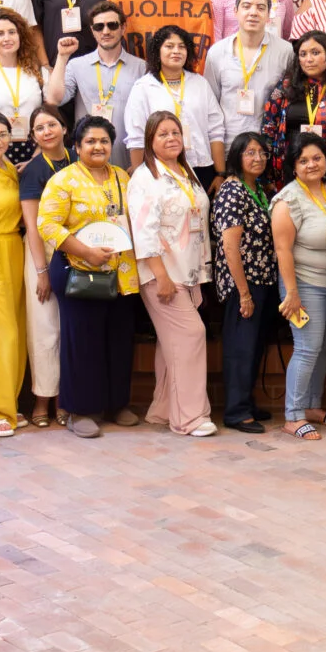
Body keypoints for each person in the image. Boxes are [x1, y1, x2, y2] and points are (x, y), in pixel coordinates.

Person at [38, 115, 141, 439]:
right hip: (79, 272)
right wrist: (86, 252)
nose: (98, 147)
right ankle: (80, 410)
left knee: (119, 341)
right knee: (82, 344)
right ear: (77, 146)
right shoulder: (64, 180)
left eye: (104, 141)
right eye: (90, 141)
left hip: (121, 274)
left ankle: (117, 404)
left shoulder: (122, 177)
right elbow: (47, 225)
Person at [125, 111, 216, 438]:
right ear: (150, 140)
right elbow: (143, 231)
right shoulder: (144, 178)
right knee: (191, 335)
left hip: (187, 272)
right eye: (162, 134)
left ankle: (162, 410)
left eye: (175, 132)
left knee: (171, 344)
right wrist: (160, 276)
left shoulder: (185, 172)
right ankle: (189, 418)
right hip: (162, 274)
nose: (171, 138)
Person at [267, 134, 326, 438]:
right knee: (307, 348)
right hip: (303, 285)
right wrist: (292, 293)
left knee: (323, 348)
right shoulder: (287, 200)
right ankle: (294, 415)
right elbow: (282, 250)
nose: (311, 164)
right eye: (303, 160)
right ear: (294, 166)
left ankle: (312, 406)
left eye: (317, 158)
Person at [218, 133, 287, 433]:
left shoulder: (258, 188)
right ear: (236, 156)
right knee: (241, 347)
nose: (258, 158)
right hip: (243, 284)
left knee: (255, 346)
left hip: (264, 280)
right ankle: (236, 411)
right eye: (250, 152)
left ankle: (246, 402)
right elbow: (230, 246)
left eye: (262, 152)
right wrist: (244, 292)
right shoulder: (232, 190)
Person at [19, 104, 70, 428]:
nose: (46, 131)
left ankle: (66, 397)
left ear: (64, 128)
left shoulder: (79, 159)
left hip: (76, 247)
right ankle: (42, 397)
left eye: (51, 124)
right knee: (44, 326)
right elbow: (32, 225)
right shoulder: (34, 170)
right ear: (33, 136)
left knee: (71, 328)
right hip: (43, 251)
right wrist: (42, 271)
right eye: (39, 128)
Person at [123, 25, 226, 187]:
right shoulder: (143, 87)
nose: (176, 51)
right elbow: (136, 138)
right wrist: (140, 180)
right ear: (157, 52)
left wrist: (220, 174)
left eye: (181, 46)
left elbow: (216, 131)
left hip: (203, 168)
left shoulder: (200, 83)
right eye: (169, 46)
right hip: (161, 171)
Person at [0, 7, 66, 165]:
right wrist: (2, 161)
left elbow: (52, 106)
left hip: (35, 153)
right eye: (0, 33)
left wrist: (35, 160)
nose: (7, 38)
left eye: (12, 32)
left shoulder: (35, 73)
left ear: (20, 36)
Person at [261, 30, 326, 188]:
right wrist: (267, 177)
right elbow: (268, 128)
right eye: (303, 54)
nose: (308, 59)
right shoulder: (286, 86)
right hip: (290, 171)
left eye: (315, 53)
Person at [57, 1, 145, 168]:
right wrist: (62, 58)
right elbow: (56, 99)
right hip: (88, 162)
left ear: (123, 28)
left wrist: (138, 164)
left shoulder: (141, 67)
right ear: (92, 30)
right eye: (99, 27)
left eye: (112, 25)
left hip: (128, 162)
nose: (105, 31)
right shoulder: (76, 65)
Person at [202, 0, 294, 144]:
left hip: (268, 144)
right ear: (235, 11)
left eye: (260, 8)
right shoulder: (217, 53)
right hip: (229, 144)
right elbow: (211, 105)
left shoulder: (285, 51)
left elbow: (290, 101)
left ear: (268, 15)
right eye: (246, 6)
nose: (253, 12)